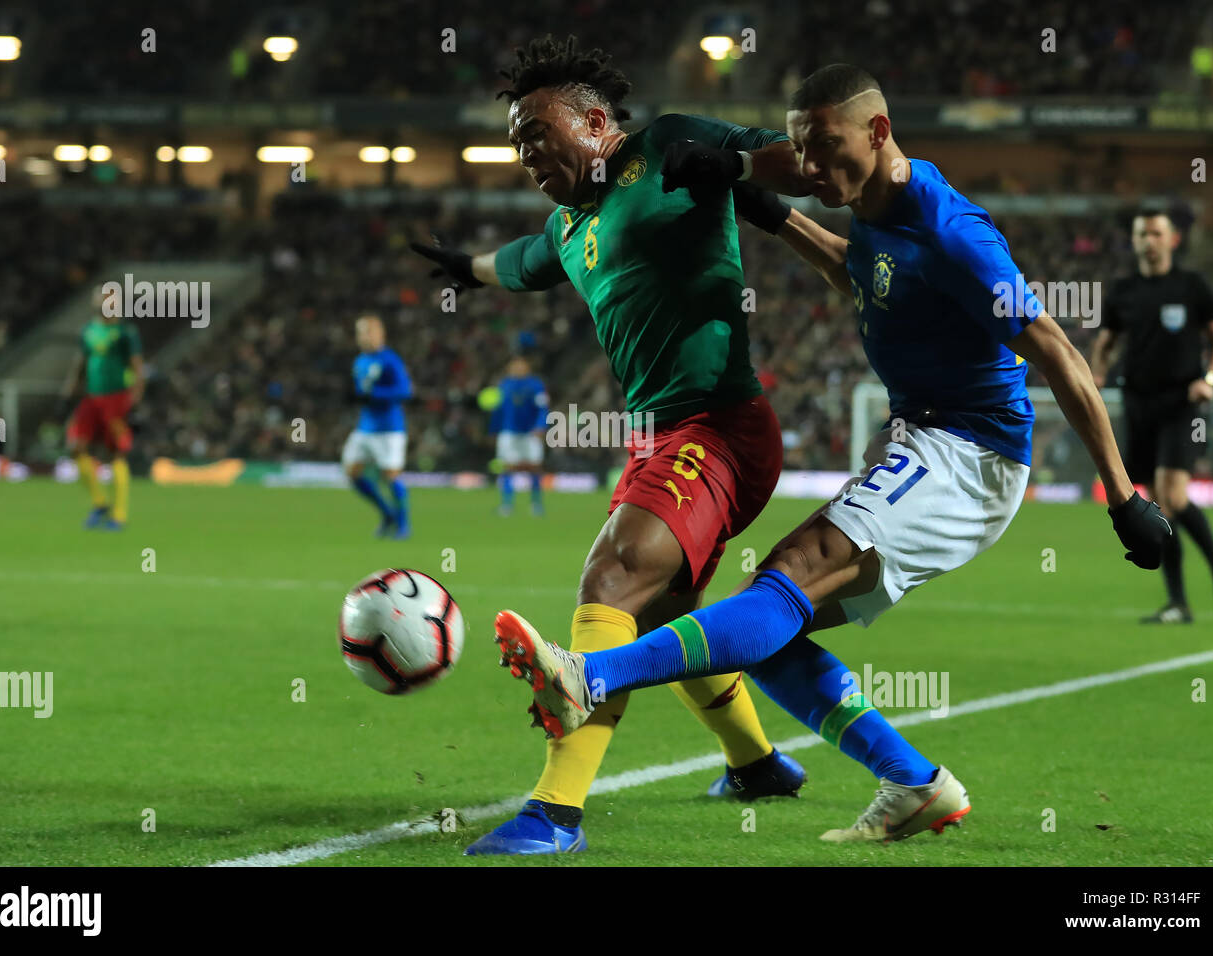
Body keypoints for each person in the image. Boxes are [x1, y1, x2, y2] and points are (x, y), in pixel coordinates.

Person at [495, 64, 1173, 844]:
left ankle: (590, 675)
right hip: (928, 440)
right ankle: (913, 783)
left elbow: (1057, 351)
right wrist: (772, 212)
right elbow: (855, 271)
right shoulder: (876, 209)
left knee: (785, 582)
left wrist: (1123, 498)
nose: (811, 168)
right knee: (771, 629)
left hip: (968, 452)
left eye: (824, 147)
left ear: (879, 132)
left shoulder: (952, 234)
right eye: (799, 151)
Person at [412, 35, 812, 855]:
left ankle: (556, 811)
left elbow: (799, 164)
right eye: (515, 144)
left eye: (536, 135)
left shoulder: (664, 144)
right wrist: (467, 267)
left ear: (596, 121)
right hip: (656, 436)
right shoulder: (568, 227)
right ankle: (759, 765)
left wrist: (732, 169)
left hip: (720, 424)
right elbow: (522, 261)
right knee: (667, 612)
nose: (524, 154)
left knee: (614, 576)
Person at [1091, 210, 1213, 622]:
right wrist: (1097, 373)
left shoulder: (1191, 286)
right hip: (1140, 404)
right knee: (1161, 504)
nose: (1148, 240)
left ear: (1172, 239)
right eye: (1141, 233)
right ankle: (1178, 603)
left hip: (1181, 405)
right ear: (1135, 240)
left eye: (1156, 233)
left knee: (1171, 497)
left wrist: (1209, 376)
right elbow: (1106, 340)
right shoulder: (1123, 291)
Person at [64, 289, 144, 531]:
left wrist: (135, 401)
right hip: (92, 398)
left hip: (117, 399)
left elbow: (138, 368)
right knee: (76, 448)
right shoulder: (88, 331)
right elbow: (81, 363)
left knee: (116, 453)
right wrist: (68, 393)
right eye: (101, 299)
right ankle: (99, 503)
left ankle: (119, 515)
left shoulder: (125, 333)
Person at [343, 314, 412, 539]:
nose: (364, 337)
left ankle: (403, 525)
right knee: (352, 473)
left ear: (380, 334)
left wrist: (375, 394)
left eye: (368, 331)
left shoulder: (390, 360)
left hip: (389, 428)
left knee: (390, 476)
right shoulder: (359, 361)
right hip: (365, 427)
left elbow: (405, 391)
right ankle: (387, 514)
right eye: (360, 332)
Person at [491, 355, 548, 516]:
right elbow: (499, 410)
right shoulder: (504, 385)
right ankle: (506, 505)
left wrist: (540, 426)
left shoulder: (535, 385)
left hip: (530, 432)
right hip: (509, 431)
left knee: (535, 467)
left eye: (520, 365)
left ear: (527, 368)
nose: (517, 368)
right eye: (514, 366)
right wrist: (494, 430)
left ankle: (536, 504)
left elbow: (543, 408)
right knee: (507, 467)